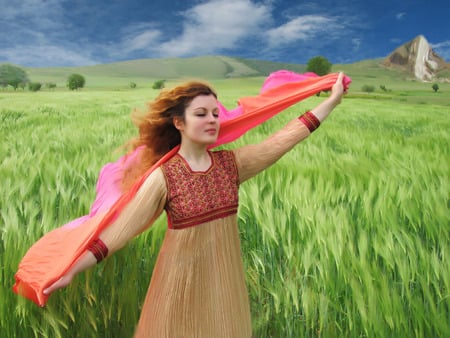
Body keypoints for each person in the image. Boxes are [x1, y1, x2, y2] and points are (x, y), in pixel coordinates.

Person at [38, 72, 347, 337]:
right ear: (179, 123)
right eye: (201, 114)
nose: (212, 120)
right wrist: (72, 270)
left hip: (225, 284)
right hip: (179, 288)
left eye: (215, 113)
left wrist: (330, 102)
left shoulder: (232, 165)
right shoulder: (164, 177)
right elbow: (117, 234)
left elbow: (284, 139)